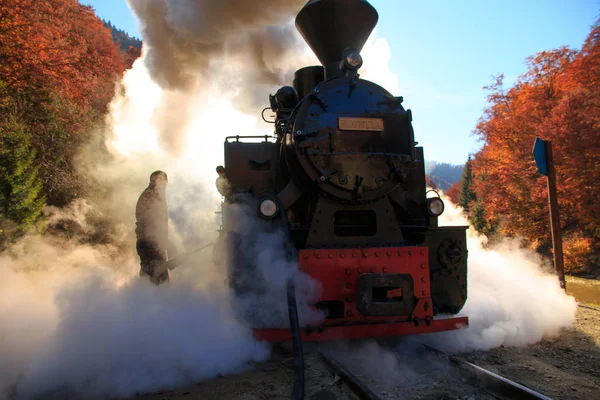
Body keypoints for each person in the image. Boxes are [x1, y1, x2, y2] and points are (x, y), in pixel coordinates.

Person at [135, 170, 176, 285]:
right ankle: (156, 300)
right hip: (151, 245)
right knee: (159, 281)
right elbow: (152, 226)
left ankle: (145, 299)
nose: (165, 186)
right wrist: (167, 244)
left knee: (148, 279)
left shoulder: (150, 194)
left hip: (147, 244)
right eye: (164, 182)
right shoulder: (152, 197)